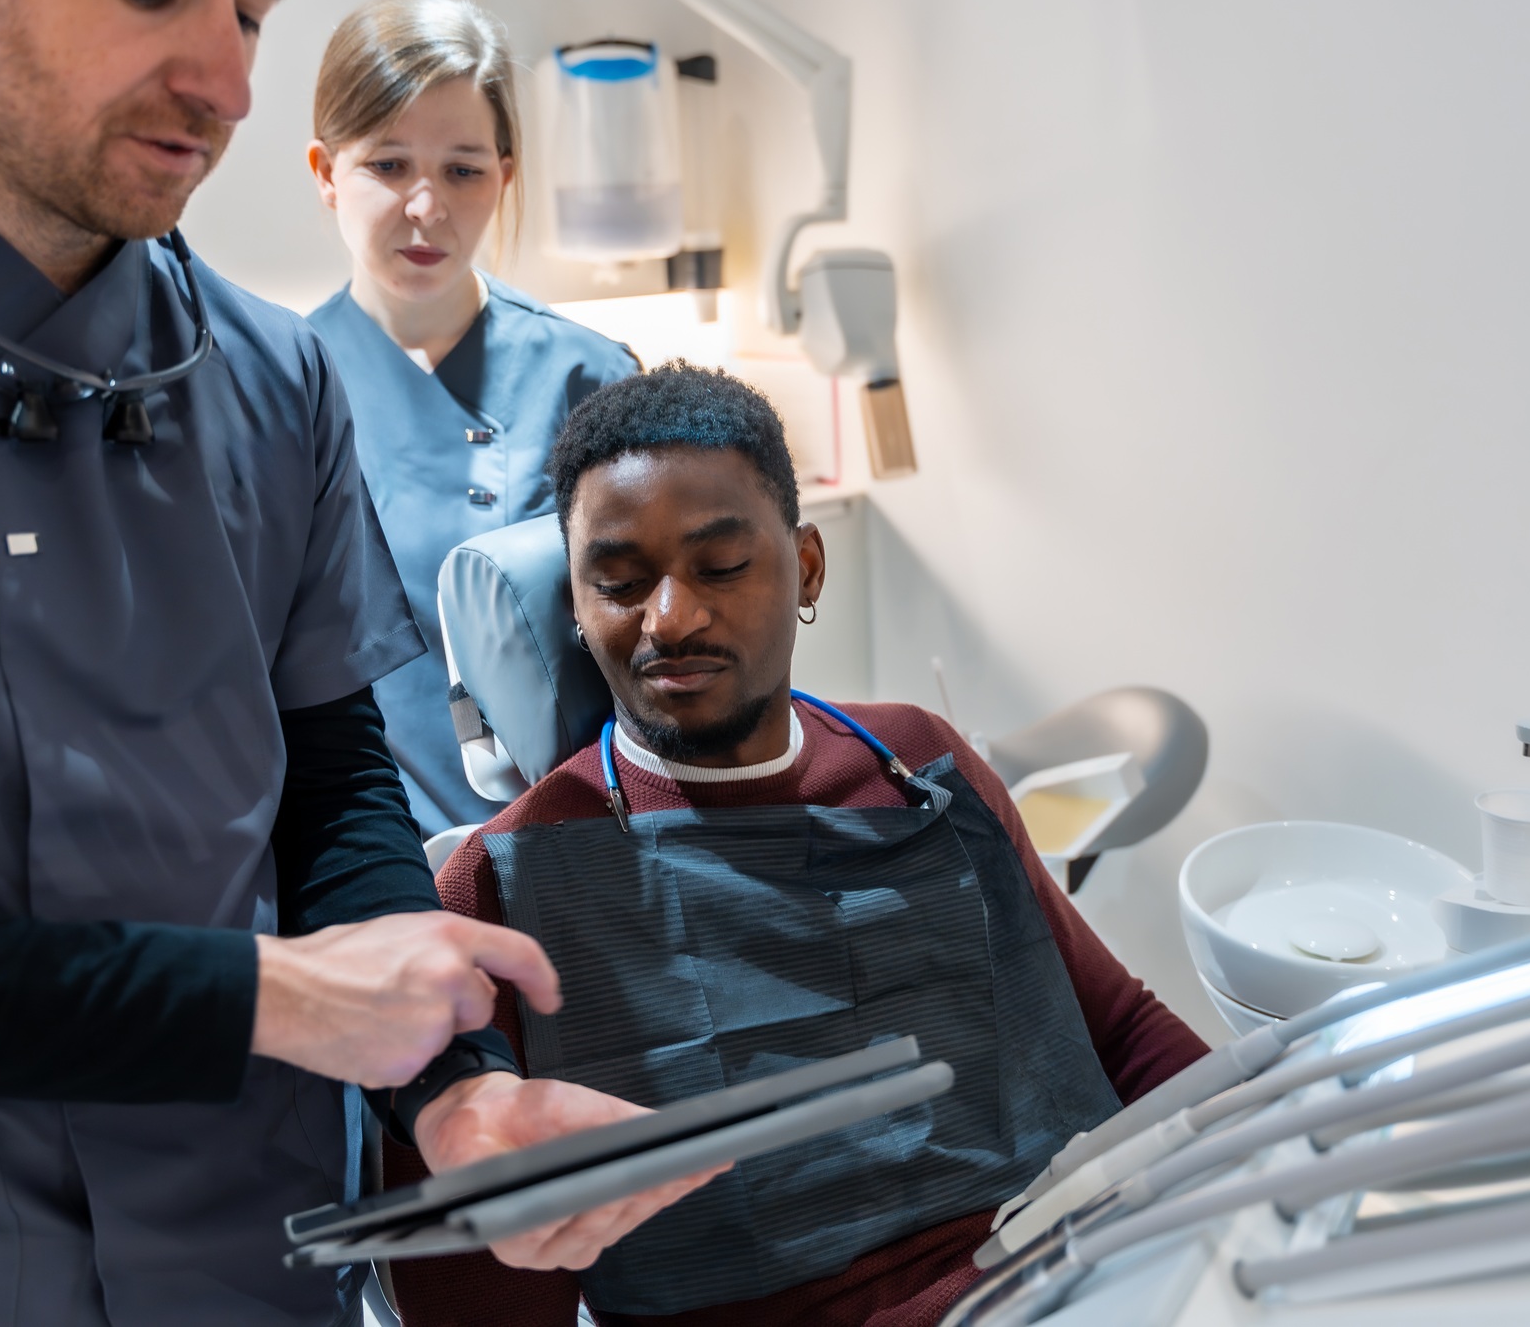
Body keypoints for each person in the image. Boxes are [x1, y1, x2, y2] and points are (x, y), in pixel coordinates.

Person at [0, 0, 709, 1323]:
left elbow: (331, 780)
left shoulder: (271, 377)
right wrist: (259, 998)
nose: (228, 84)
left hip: (253, 1251)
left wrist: (454, 1091)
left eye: (249, 13)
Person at [384, 362, 1211, 1326]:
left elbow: (1121, 1031)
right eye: (618, 582)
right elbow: (473, 1300)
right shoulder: (506, 885)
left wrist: (1265, 1160)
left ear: (807, 566)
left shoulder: (920, 765)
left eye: (720, 567)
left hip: (1076, 1277)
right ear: (576, 602)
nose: (670, 618)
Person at [306, 0, 639, 837]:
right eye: (388, 164)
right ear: (325, 172)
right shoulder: (284, 386)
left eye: (462, 170)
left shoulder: (588, 377)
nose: (426, 207)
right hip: (368, 852)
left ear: (506, 174)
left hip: (583, 837)